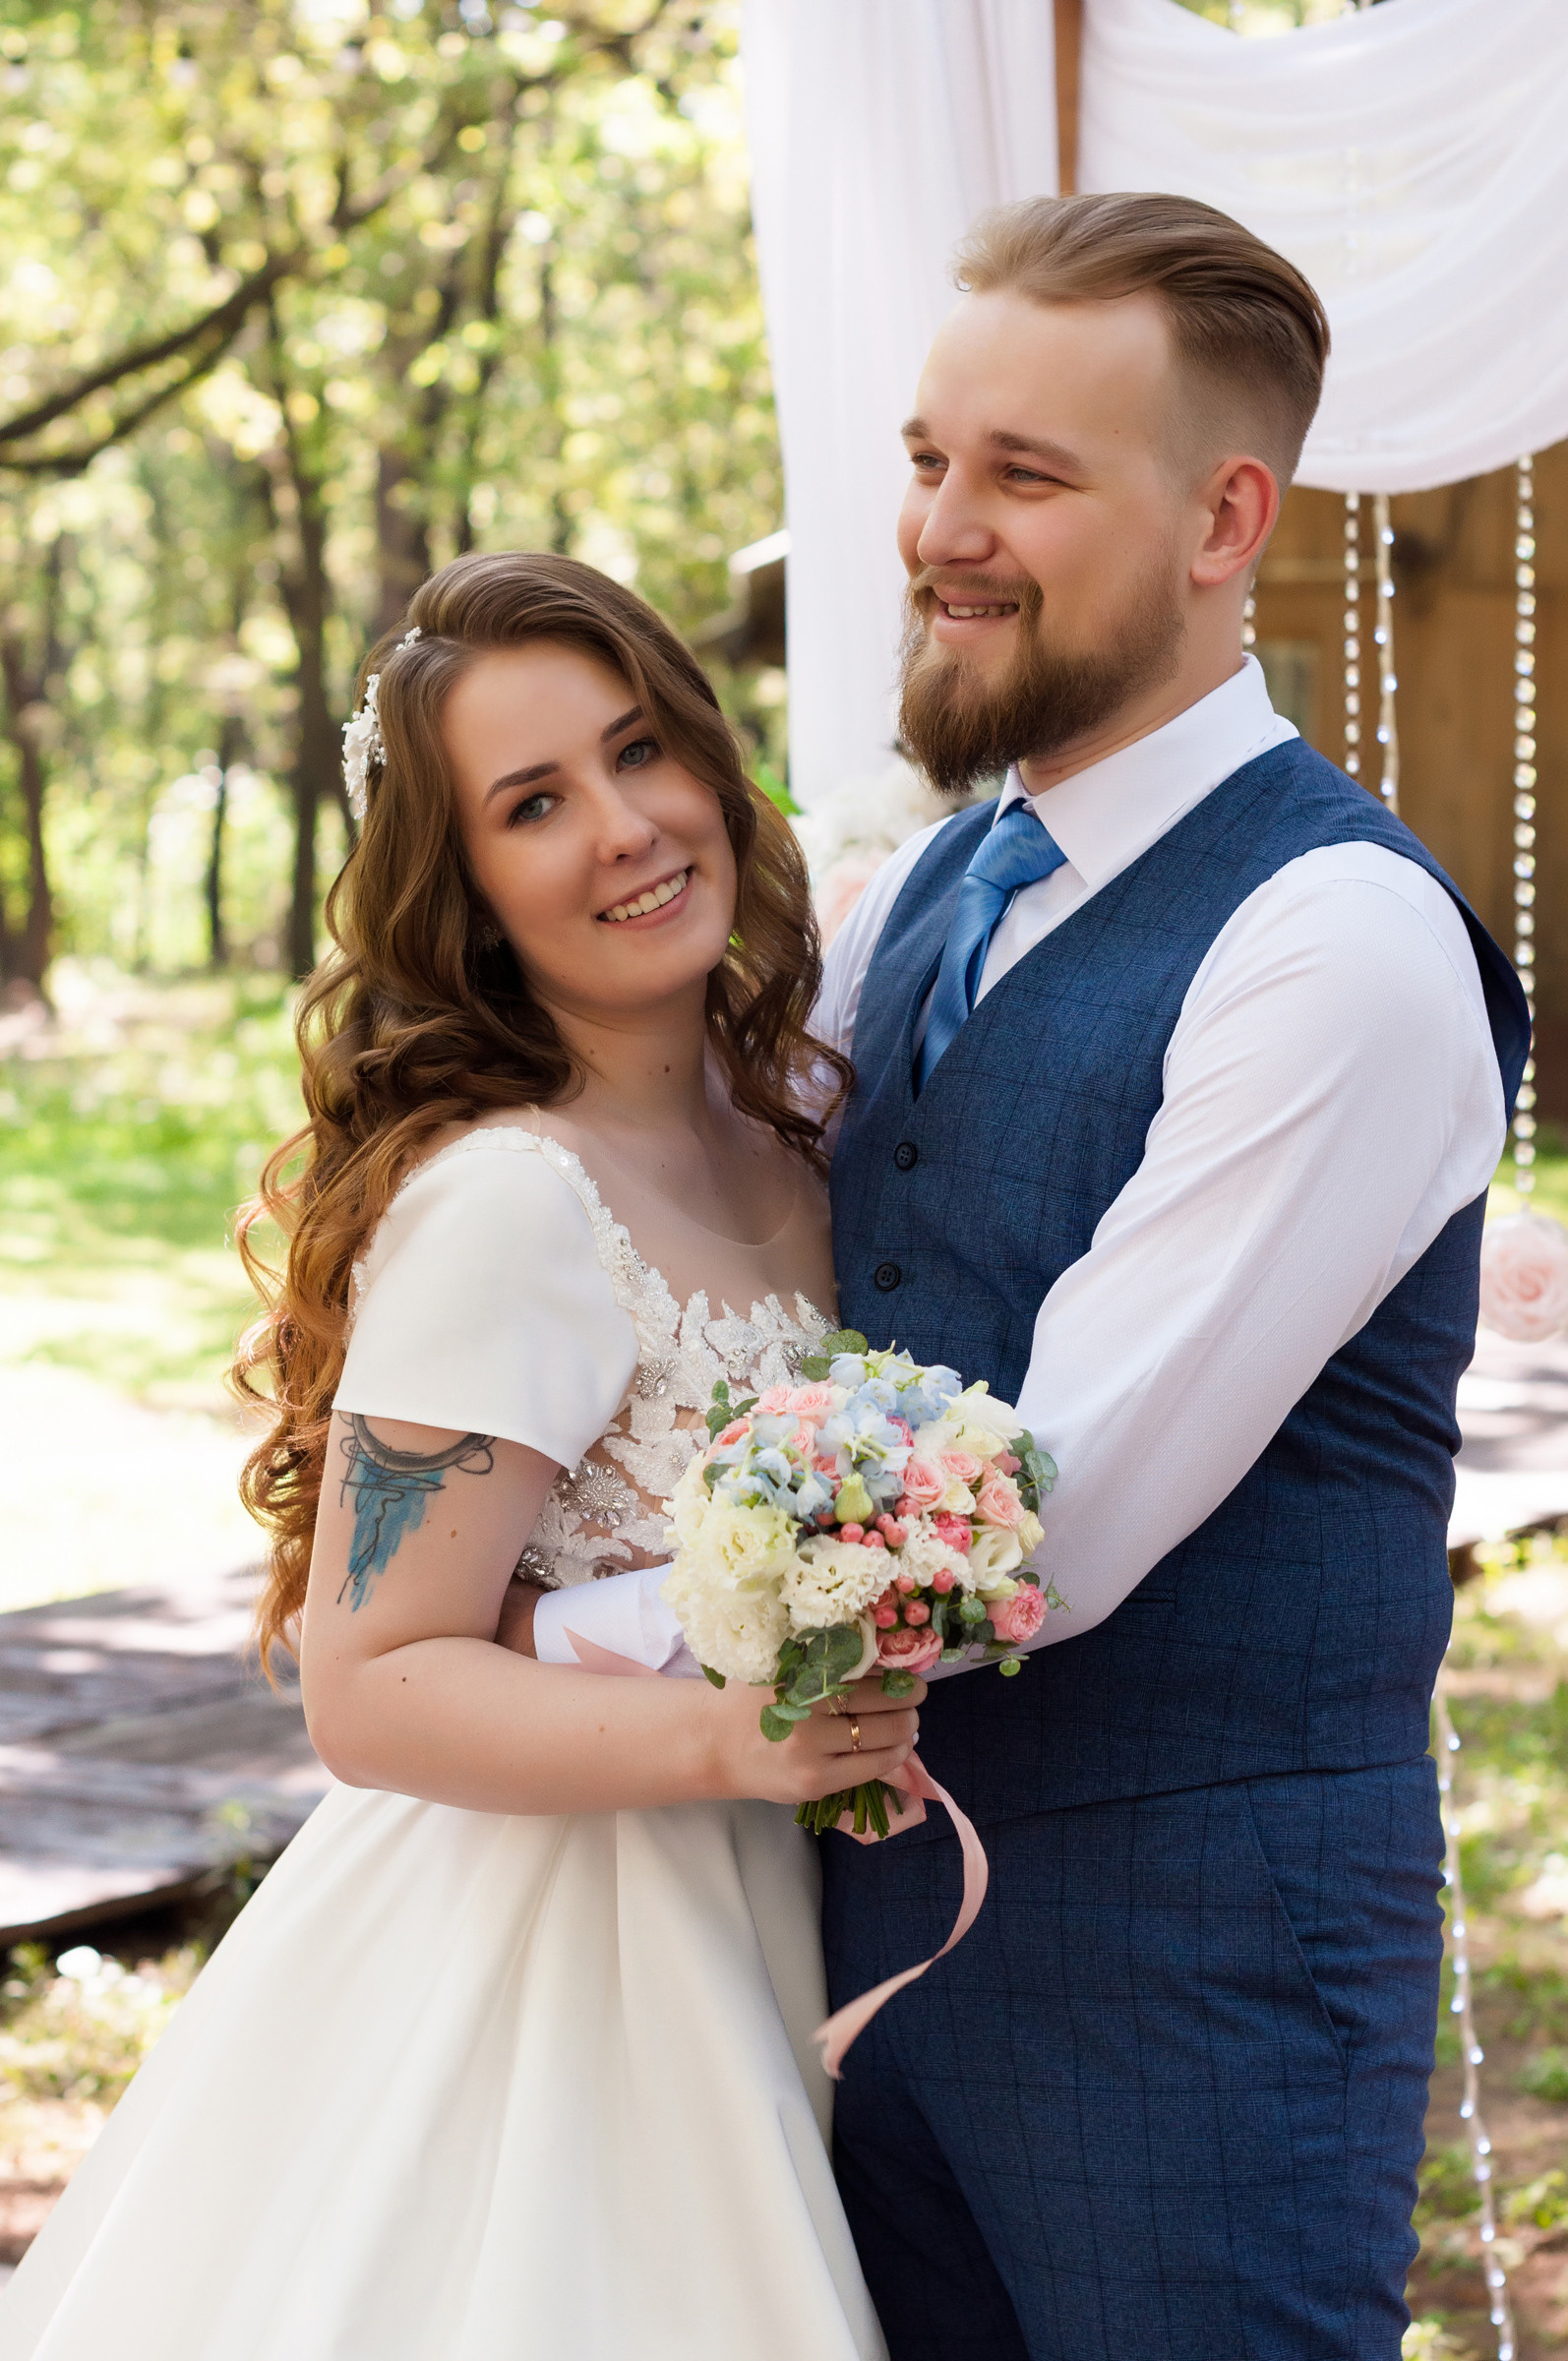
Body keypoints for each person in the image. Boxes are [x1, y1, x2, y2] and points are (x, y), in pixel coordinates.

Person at [0, 552, 905, 2361]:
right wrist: (729, 1737)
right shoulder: (509, 1204)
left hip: (779, 1918)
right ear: (469, 888)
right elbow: (373, 1685)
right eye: (535, 804)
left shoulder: (794, 1130)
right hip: (567, 1962)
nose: (629, 828)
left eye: (641, 749)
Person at [813, 193, 1529, 2360]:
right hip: (853, 1945)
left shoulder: (1336, 941)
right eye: (931, 458)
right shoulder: (930, 885)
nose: (943, 529)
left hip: (1194, 1992)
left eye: (1024, 475)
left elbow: (1050, 1515)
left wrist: (531, 1646)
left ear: (1226, 516)